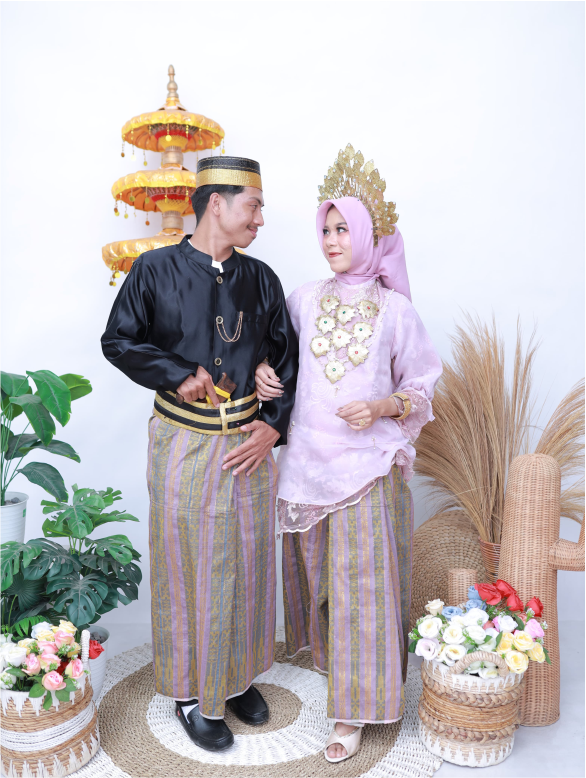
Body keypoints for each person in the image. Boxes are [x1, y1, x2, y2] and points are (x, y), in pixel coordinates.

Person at [101, 156, 298, 752]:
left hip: (248, 446)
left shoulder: (261, 278)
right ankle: (191, 693)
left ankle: (236, 678)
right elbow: (118, 340)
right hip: (184, 442)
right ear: (217, 203)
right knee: (189, 566)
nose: (260, 219)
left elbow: (283, 355)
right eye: (253, 206)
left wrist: (273, 426)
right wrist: (176, 373)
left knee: (248, 561)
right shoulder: (154, 270)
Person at [255, 146, 442, 763]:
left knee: (363, 592)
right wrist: (259, 371)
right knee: (321, 588)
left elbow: (421, 386)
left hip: (367, 469)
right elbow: (276, 355)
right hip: (306, 469)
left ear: (367, 236)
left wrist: (382, 406)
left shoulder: (396, 310)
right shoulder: (303, 299)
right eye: (326, 229)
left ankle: (352, 712)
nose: (332, 240)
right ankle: (342, 678)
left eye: (343, 230)